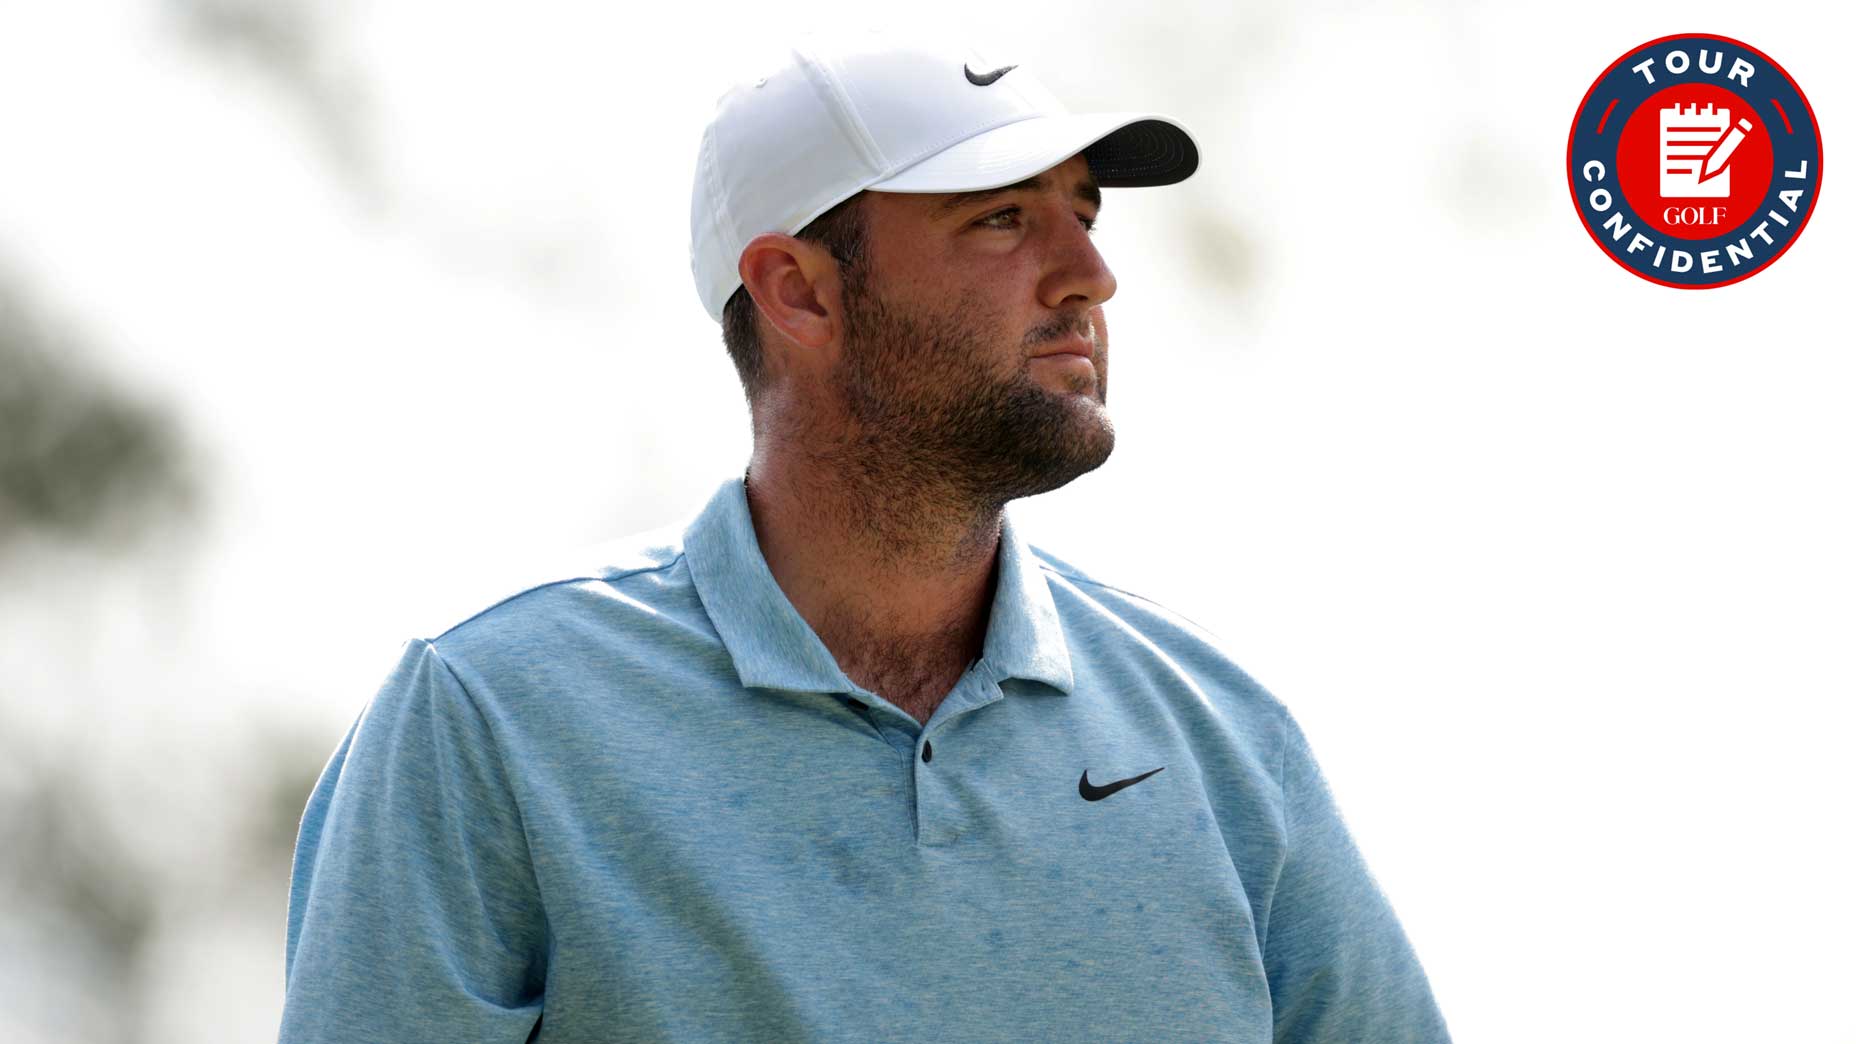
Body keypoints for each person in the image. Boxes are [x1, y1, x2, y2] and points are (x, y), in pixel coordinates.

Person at [277, 29, 1452, 1044]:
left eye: (1083, 215)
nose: (1090, 275)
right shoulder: (490, 715)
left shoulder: (1225, 737)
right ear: (797, 291)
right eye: (1001, 220)